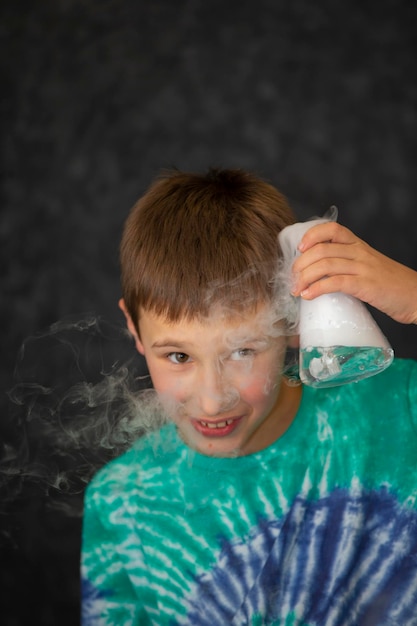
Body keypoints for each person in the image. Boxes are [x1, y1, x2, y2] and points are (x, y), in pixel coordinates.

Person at [81, 168, 417, 625]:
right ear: (134, 328)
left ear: (291, 322)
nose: (212, 400)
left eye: (243, 350)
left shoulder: (400, 407)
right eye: (178, 356)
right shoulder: (121, 504)